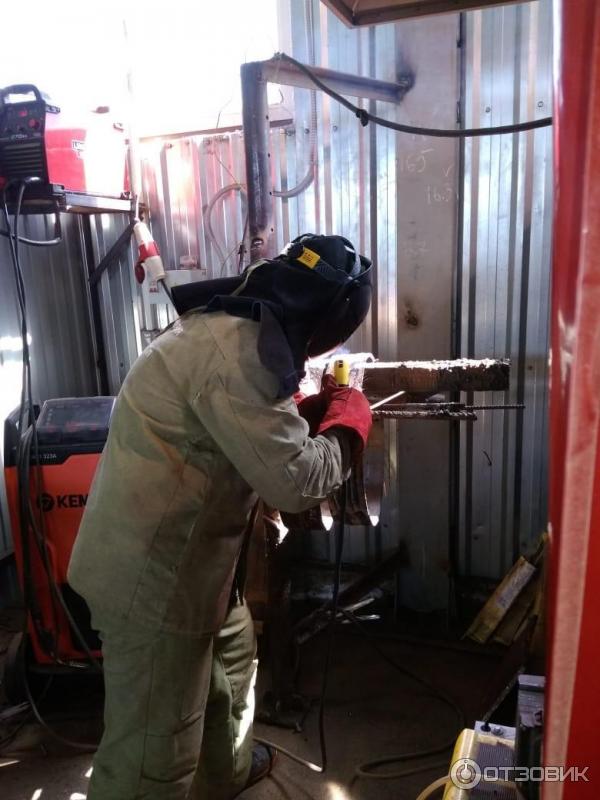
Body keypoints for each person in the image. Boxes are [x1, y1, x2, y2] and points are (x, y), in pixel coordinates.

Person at [68, 233, 373, 800]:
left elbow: (241, 424)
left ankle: (224, 776)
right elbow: (296, 484)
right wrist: (348, 426)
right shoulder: (237, 355)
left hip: (203, 568)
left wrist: (302, 417)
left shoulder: (236, 321)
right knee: (153, 754)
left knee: (232, 673)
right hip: (153, 583)